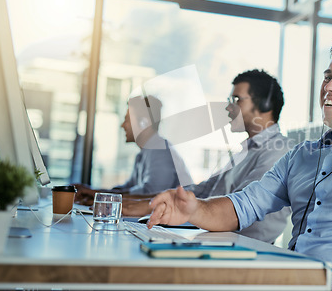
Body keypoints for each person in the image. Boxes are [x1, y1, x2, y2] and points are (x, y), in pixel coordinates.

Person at [146, 38, 332, 291]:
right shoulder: (301, 154)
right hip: (292, 279)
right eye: (328, 77)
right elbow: (243, 206)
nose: (329, 87)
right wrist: (194, 210)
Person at [123, 69, 293, 244]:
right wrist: (145, 203)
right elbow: (202, 190)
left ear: (264, 104)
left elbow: (240, 208)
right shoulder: (244, 151)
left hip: (242, 247)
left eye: (236, 100)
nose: (228, 107)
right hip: (214, 238)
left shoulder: (278, 152)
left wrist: (147, 206)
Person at [74, 95, 190, 205]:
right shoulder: (146, 152)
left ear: (144, 123)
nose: (123, 125)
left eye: (127, 120)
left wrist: (102, 197)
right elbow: (128, 189)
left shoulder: (160, 152)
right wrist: (95, 193)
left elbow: (150, 195)